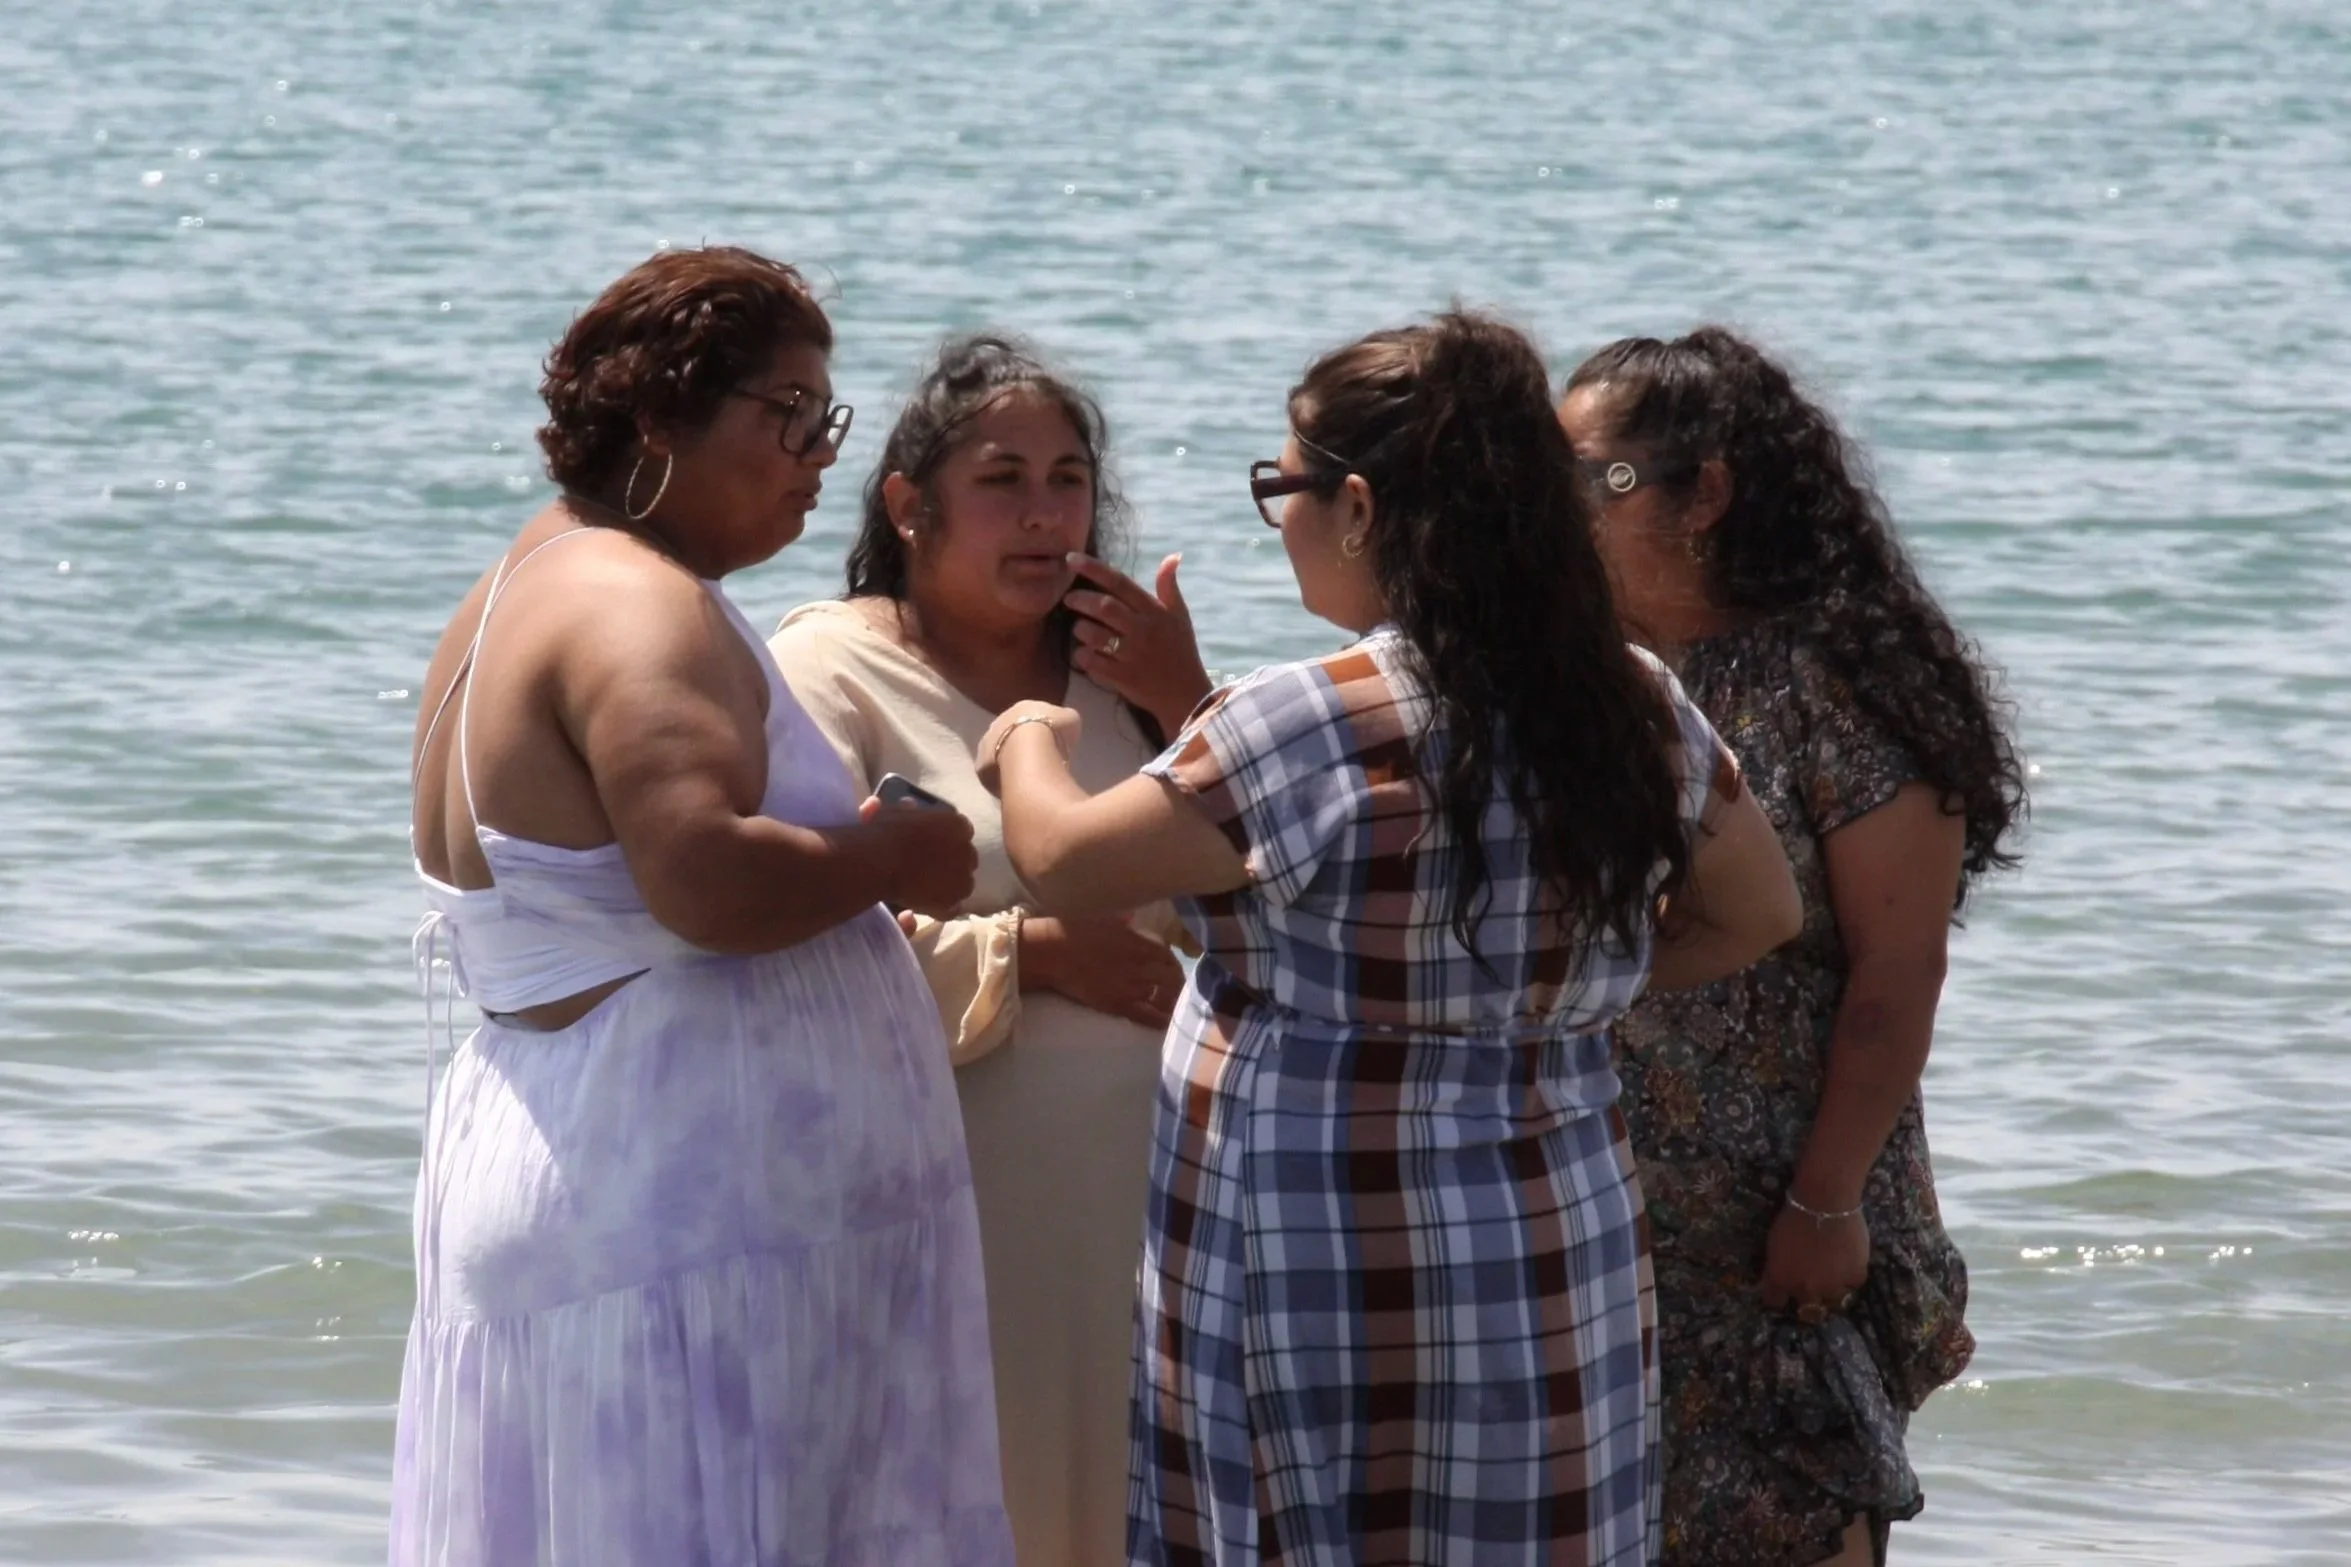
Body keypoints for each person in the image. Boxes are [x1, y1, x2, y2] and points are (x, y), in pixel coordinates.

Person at [976, 310, 1804, 1567]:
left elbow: (1062, 859)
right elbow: (1759, 912)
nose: (1280, 514)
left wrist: (1022, 740)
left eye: (1281, 485)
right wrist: (1542, 992)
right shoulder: (1628, 699)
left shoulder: (1304, 715)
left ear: (1356, 505)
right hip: (1546, 1239)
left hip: (1314, 1250)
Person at [395, 247, 1012, 1567]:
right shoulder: (635, 604)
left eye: (823, 421)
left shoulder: (525, 582)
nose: (813, 455)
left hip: (605, 1173)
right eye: (786, 415)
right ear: (660, 417)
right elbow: (705, 880)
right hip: (678, 1218)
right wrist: (892, 847)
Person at [1559, 327, 2028, 1566]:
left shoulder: (1835, 681)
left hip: (1779, 1202)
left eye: (1584, 481)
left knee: (1790, 1507)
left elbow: (1895, 970)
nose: (1551, 514)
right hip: (1593, 1202)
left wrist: (1823, 1199)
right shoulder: (1589, 681)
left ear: (1702, 494)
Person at [767, 334, 1210, 1567]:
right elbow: (788, 953)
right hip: (943, 1202)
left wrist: (1193, 703)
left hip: (1155, 1205)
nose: (1042, 513)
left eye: (1066, 479)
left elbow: (1273, 890)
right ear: (909, 505)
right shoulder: (827, 669)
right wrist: (1037, 956)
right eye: (1001, 480)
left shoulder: (1128, 678)